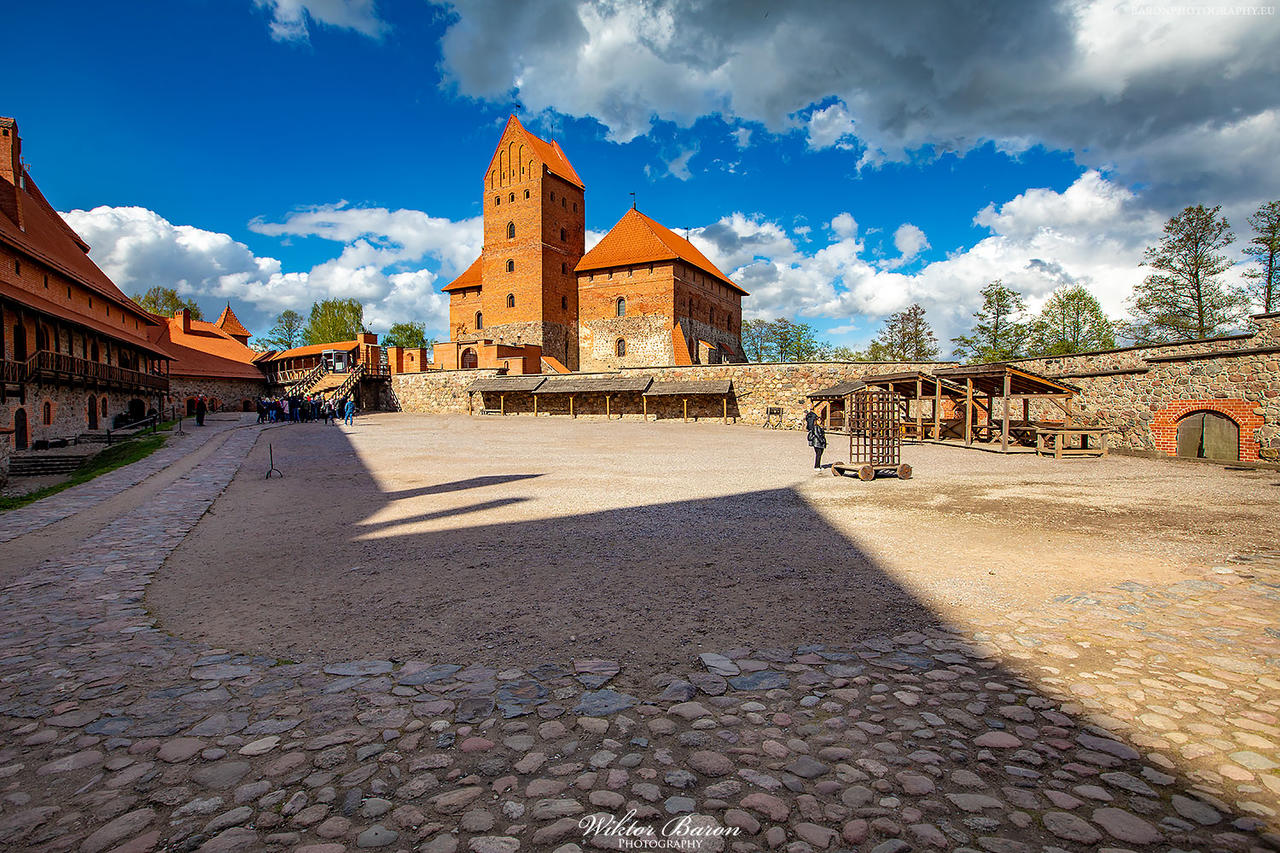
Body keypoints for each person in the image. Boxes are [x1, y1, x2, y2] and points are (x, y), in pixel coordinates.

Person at [806, 405, 826, 470]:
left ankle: (818, 466)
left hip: (818, 442)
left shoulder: (819, 427)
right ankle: (816, 466)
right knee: (818, 454)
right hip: (817, 442)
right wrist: (822, 441)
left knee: (819, 454)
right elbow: (817, 434)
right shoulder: (816, 427)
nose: (820, 421)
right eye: (819, 420)